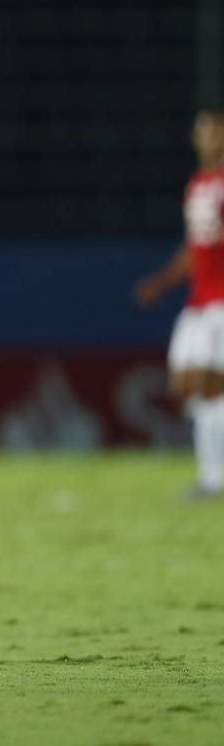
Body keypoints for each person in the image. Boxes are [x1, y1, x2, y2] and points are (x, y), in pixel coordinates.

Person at [135, 107, 224, 500]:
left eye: (211, 130)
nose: (203, 137)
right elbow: (194, 248)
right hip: (196, 302)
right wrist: (162, 281)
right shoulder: (198, 184)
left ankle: (212, 478)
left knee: (211, 391)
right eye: (200, 131)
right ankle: (211, 475)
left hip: (222, 302)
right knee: (185, 387)